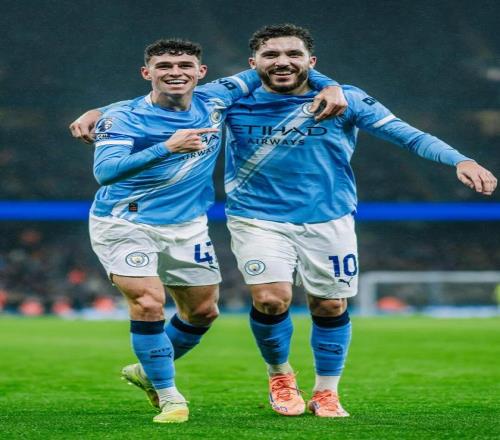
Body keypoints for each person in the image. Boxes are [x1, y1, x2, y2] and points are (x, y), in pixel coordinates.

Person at [221, 24, 497, 418]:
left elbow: (407, 134)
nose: (283, 61)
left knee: (330, 305)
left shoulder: (346, 99)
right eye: (271, 55)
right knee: (270, 299)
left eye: (294, 54)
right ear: (253, 63)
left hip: (329, 217)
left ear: (311, 61)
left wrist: (460, 159)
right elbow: (173, 102)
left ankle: (326, 391)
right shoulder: (231, 101)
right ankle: (280, 375)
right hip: (256, 216)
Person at [71, 37, 347, 424]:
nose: (175, 72)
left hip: (187, 225)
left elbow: (277, 67)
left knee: (202, 312)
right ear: (147, 73)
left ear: (200, 72)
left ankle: (146, 370)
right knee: (149, 303)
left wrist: (331, 86)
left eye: (184, 65)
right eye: (164, 66)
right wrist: (166, 147)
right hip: (125, 221)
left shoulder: (216, 97)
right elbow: (105, 172)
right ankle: (169, 397)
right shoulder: (123, 118)